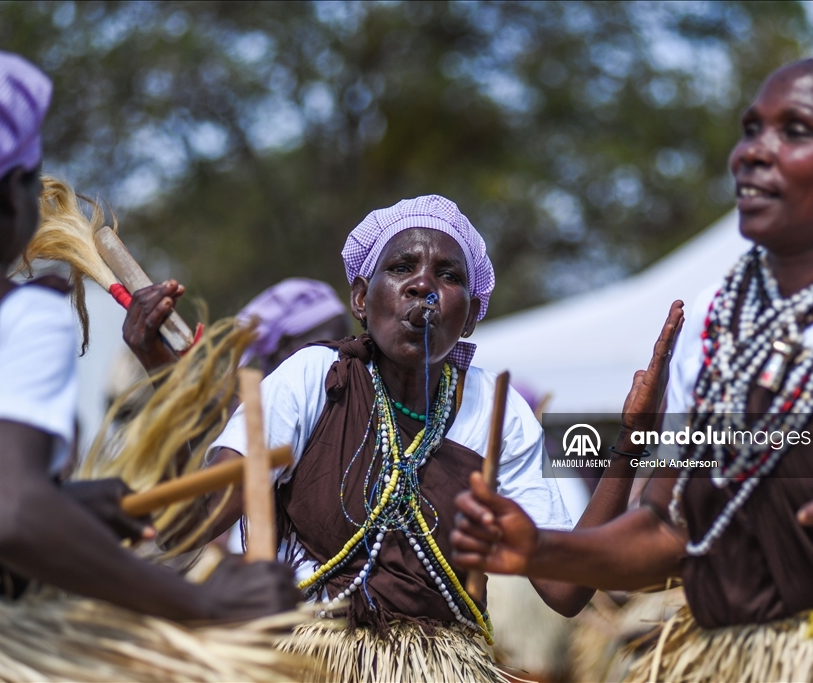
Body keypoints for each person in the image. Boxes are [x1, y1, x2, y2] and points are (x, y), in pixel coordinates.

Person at [451, 48, 813, 680]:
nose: (752, 152)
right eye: (752, 128)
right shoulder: (712, 321)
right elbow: (667, 530)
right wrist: (540, 547)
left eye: (796, 131)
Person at [125, 194, 682, 681]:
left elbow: (566, 592)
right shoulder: (313, 377)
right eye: (401, 267)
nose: (424, 286)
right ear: (361, 298)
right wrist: (164, 379)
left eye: (449, 275)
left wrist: (630, 441)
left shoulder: (497, 407)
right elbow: (192, 525)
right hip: (306, 662)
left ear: (470, 316)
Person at [0, 43, 301, 622]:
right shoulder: (13, 314)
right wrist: (200, 601)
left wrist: (63, 504)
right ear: (9, 195)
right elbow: (5, 512)